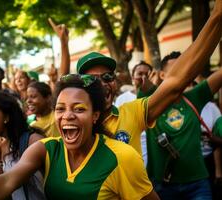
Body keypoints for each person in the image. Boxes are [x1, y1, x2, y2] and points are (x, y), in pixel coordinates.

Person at [0, 74, 160, 200]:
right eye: (60, 109)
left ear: (95, 116)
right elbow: (8, 180)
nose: (67, 115)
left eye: (79, 109)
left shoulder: (122, 157)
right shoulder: (45, 149)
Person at [75, 0, 222, 155]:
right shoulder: (70, 123)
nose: (101, 83)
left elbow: (177, 81)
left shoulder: (131, 112)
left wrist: (217, 16)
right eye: (90, 79)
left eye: (107, 76)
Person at [136, 50, 222, 199]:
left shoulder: (195, 97)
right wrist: (151, 83)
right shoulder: (151, 100)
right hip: (162, 187)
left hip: (197, 185)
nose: (183, 74)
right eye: (177, 70)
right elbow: (144, 90)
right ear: (162, 75)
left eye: (186, 69)